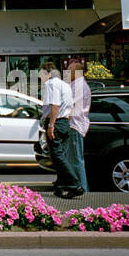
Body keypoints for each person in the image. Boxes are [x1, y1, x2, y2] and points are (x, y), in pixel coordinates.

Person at [40, 61, 81, 199]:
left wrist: (51, 125)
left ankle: (74, 184)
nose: (40, 77)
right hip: (64, 122)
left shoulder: (51, 84)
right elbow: (70, 104)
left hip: (56, 122)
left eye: (42, 73)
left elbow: (55, 105)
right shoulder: (65, 84)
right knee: (60, 155)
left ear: (48, 73)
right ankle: (60, 185)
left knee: (57, 155)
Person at [66, 59, 91, 195]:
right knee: (73, 159)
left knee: (76, 160)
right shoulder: (76, 84)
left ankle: (82, 189)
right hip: (74, 125)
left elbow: (71, 106)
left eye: (69, 70)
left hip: (75, 125)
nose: (67, 73)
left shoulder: (80, 86)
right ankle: (76, 186)